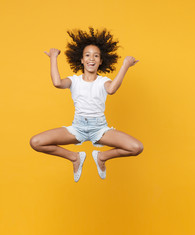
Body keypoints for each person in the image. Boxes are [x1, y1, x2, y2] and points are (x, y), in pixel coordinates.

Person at [30, 27, 143, 182]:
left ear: (101, 61)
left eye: (96, 56)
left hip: (100, 129)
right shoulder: (74, 81)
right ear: (81, 60)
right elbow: (57, 83)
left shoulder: (103, 81)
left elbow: (111, 90)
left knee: (136, 148)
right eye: (87, 55)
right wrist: (53, 57)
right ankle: (75, 158)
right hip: (78, 128)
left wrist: (125, 65)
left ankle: (102, 157)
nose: (92, 58)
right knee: (36, 142)